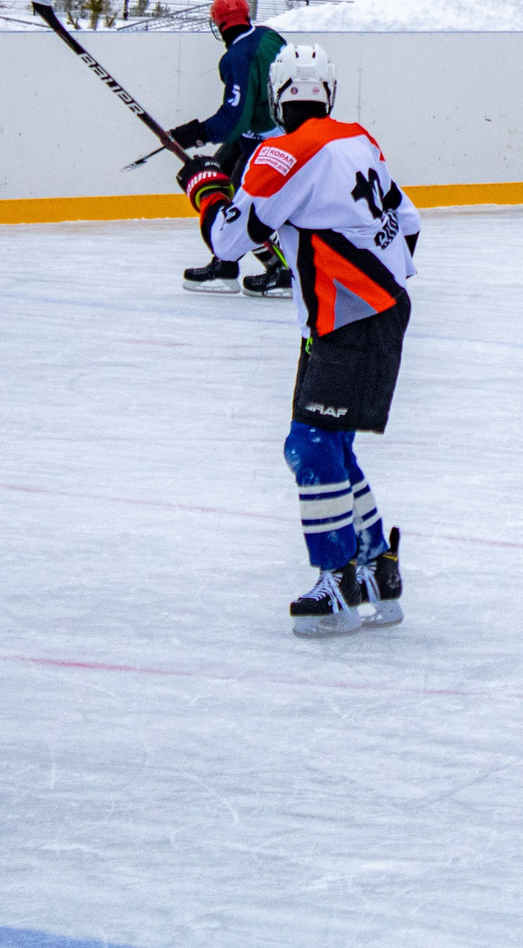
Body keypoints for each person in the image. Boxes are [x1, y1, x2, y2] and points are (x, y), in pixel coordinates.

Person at [178, 43, 421, 634]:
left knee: (312, 447)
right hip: (356, 315)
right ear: (328, 94)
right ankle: (375, 570)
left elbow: (228, 244)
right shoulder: (359, 140)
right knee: (325, 448)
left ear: (276, 96)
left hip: (349, 318)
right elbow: (409, 225)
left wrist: (204, 185)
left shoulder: (282, 156)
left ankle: (338, 579)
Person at [168, 0, 291, 295]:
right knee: (217, 175)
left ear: (219, 24)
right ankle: (224, 261)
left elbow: (236, 119)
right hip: (267, 134)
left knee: (236, 204)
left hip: (265, 142)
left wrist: (196, 133)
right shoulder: (268, 37)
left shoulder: (236, 57)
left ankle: (283, 270)